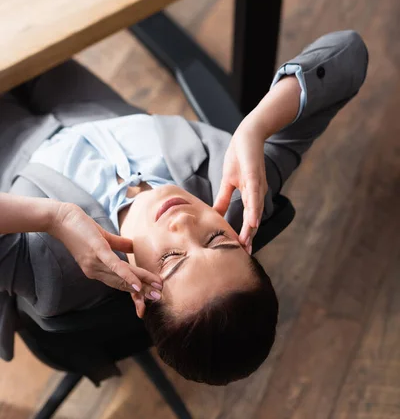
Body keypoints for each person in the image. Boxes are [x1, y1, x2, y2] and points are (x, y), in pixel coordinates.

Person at [0, 30, 368, 385]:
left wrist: (53, 217)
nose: (184, 224)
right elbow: (348, 51)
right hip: (79, 98)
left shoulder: (51, 269)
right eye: (216, 240)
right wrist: (256, 126)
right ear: (243, 242)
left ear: (141, 295)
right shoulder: (241, 192)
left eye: (171, 259)